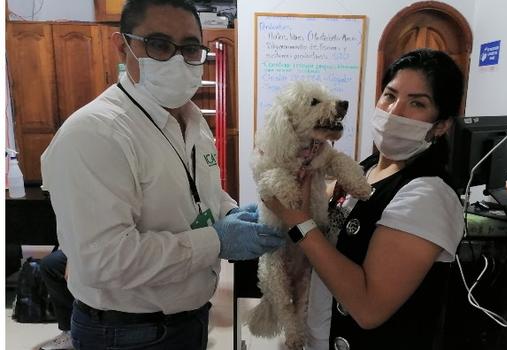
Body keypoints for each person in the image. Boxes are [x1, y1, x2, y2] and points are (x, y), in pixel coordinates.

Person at [40, 1, 284, 349]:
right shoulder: (94, 133)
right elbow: (104, 260)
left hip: (190, 318)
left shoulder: (193, 119)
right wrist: (217, 240)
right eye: (158, 44)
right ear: (121, 45)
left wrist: (232, 213)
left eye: (188, 48)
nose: (176, 59)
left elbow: (202, 193)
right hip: (125, 333)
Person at [264, 48, 465, 349]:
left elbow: (369, 308)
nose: (394, 111)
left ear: (441, 125)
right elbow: (319, 204)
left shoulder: (428, 196)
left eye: (417, 103)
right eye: (390, 95)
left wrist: (300, 224)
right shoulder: (367, 169)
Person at [39, 250, 74, 350]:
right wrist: (71, 259)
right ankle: (69, 331)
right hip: (85, 245)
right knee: (50, 264)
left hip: (114, 245)